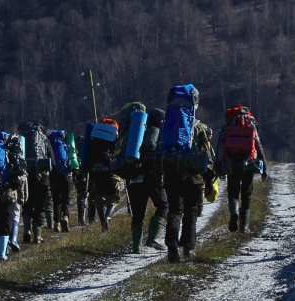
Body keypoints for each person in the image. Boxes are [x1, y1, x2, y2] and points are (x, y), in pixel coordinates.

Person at [161, 86, 214, 262]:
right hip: (194, 178)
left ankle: (172, 245)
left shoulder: (168, 128)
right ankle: (188, 248)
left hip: (171, 174)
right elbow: (206, 156)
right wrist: (209, 178)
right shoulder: (199, 128)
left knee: (175, 211)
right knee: (191, 212)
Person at [117, 104, 168, 254]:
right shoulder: (154, 130)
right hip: (151, 177)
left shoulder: (133, 133)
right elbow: (150, 146)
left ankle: (136, 247)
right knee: (163, 205)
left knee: (138, 213)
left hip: (133, 178)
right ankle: (153, 238)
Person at [220, 104, 267, 235]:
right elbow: (258, 146)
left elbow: (221, 146)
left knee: (233, 191)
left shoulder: (228, 126)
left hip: (232, 163)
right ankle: (244, 226)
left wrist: (220, 166)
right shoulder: (250, 125)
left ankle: (234, 213)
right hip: (249, 163)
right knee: (247, 193)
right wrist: (264, 167)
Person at [0, 125, 27, 260]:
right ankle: (2, 253)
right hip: (8, 191)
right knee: (7, 221)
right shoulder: (12, 147)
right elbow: (20, 173)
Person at [81, 117, 121, 232]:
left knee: (99, 199)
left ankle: (103, 224)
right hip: (110, 170)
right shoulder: (113, 133)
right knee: (114, 199)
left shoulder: (94, 135)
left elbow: (87, 152)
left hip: (96, 170)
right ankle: (108, 219)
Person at [20, 120, 53, 245]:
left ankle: (26, 231)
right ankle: (37, 236)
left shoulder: (21, 139)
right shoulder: (44, 139)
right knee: (40, 207)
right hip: (42, 177)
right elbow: (52, 160)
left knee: (27, 204)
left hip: (25, 176)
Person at [48, 127, 77, 232]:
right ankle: (65, 216)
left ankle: (56, 223)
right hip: (66, 174)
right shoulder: (66, 144)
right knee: (66, 199)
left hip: (54, 175)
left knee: (56, 200)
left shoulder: (49, 144)